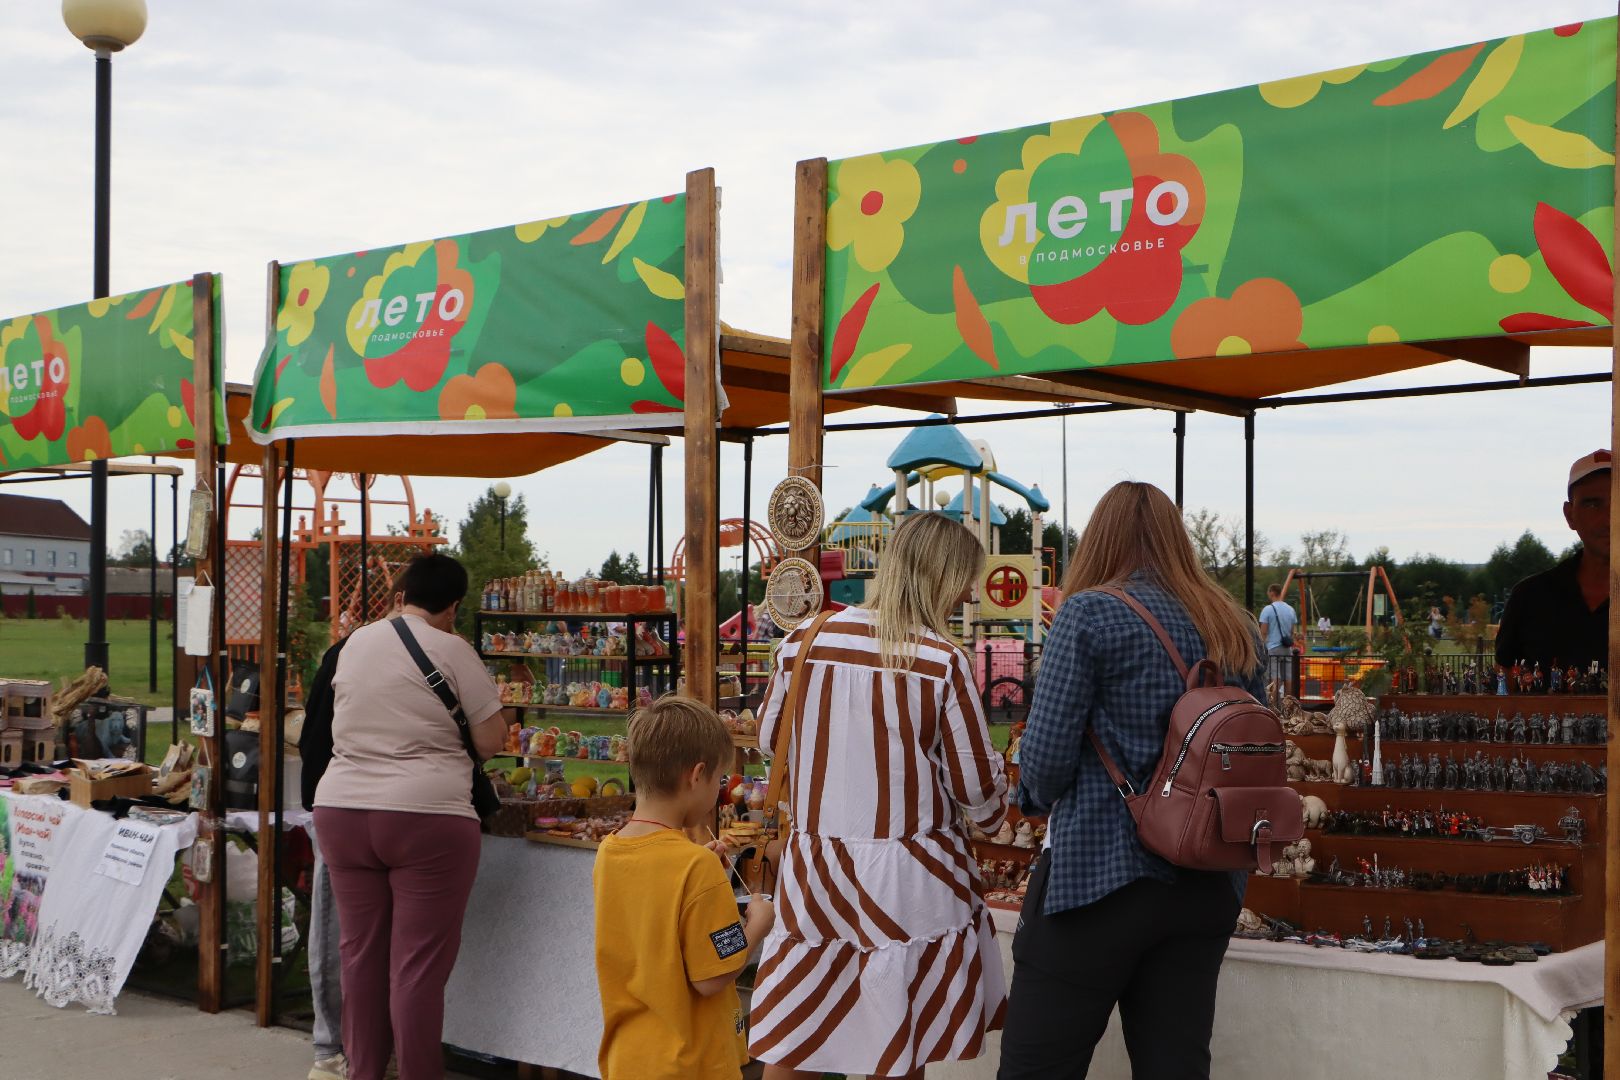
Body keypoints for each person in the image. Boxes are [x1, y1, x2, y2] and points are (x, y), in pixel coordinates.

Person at [998, 481, 1266, 1080]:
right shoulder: (1235, 625)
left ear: (1099, 539)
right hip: (1208, 881)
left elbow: (1043, 765)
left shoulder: (1089, 613)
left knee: (1037, 1068)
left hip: (1098, 880)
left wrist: (1031, 799)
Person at [749, 512, 1009, 1080]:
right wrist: (998, 809)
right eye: (964, 577)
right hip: (908, 875)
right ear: (940, 577)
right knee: (894, 1044)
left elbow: (773, 742)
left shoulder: (803, 641)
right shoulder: (941, 660)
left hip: (817, 867)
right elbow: (977, 791)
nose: (968, 591)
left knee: (799, 1032)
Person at [313, 554, 506, 1080]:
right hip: (427, 816)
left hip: (343, 810)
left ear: (400, 596)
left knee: (360, 959)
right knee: (416, 970)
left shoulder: (354, 644)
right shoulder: (453, 648)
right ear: (454, 606)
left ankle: (362, 1072)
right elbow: (489, 742)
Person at [593, 697, 776, 1080]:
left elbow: (656, 907)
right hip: (691, 1063)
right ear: (697, 776)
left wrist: (704, 873)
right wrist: (757, 926)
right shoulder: (696, 866)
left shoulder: (610, 851)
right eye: (719, 780)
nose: (719, 791)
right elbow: (712, 976)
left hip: (628, 1058)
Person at [1495, 450, 1610, 675]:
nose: (1608, 518)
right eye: (1592, 504)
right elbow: (1504, 685)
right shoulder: (1529, 598)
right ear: (1570, 515)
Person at [1258, 582, 1297, 694]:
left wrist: (1261, 646)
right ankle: (1289, 704)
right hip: (1287, 648)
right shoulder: (1290, 609)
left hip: (1273, 647)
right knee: (1288, 677)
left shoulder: (1268, 609)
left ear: (1272, 593)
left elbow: (1263, 631)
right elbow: (1291, 631)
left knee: (1274, 677)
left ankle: (1274, 704)